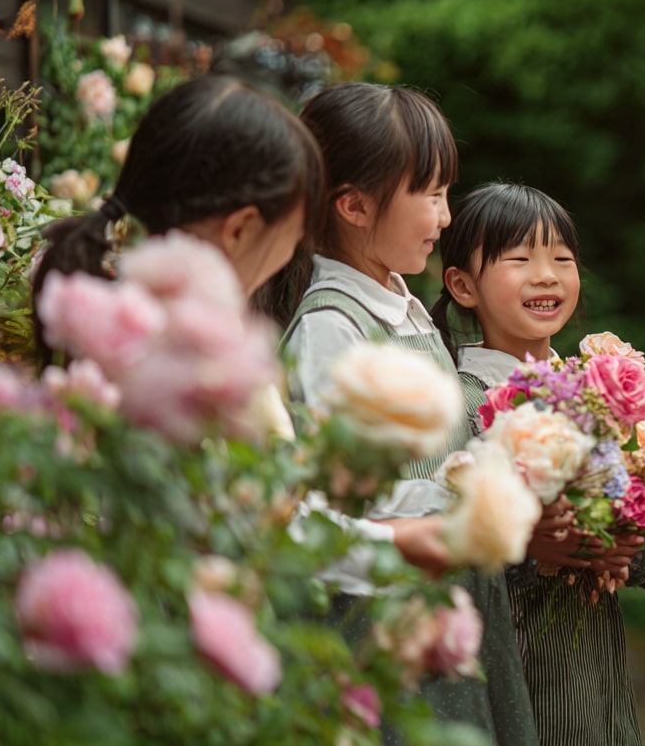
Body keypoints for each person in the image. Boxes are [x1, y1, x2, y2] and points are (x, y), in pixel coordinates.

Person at [279, 83, 537, 745]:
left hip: (441, 603)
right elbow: (336, 505)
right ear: (355, 205)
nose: (445, 217)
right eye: (429, 194)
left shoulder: (401, 300)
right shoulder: (331, 328)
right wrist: (472, 495)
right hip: (382, 621)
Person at [432, 181, 645, 745]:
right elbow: (445, 544)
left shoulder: (598, 393)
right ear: (462, 285)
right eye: (519, 259)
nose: (546, 274)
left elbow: (596, 526)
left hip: (591, 652)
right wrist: (533, 550)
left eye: (562, 258)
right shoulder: (459, 401)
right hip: (513, 650)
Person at [33, 74, 322, 367]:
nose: (291, 252)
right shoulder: (207, 365)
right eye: (295, 233)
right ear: (239, 229)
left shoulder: (105, 318)